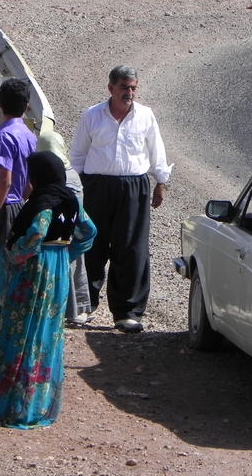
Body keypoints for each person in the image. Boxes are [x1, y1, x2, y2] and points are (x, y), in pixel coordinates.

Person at [0, 151, 96, 429]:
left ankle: (16, 404)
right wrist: (68, 252)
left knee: (21, 332)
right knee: (47, 334)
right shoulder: (71, 199)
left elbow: (35, 237)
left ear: (38, 176)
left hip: (35, 273)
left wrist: (13, 253)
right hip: (58, 272)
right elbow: (89, 231)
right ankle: (39, 402)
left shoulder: (42, 203)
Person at [69, 65, 173, 333]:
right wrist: (74, 191)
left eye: (133, 87)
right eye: (124, 87)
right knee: (91, 243)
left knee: (130, 248)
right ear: (111, 88)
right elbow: (78, 156)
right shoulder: (92, 116)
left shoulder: (146, 116)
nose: (129, 92)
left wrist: (161, 182)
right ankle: (84, 305)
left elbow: (156, 151)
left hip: (133, 187)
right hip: (96, 186)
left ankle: (127, 312)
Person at [0, 78, 37, 291]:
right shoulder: (29, 135)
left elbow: (4, 182)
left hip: (3, 209)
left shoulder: (4, 136)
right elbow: (29, 182)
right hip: (20, 206)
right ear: (26, 106)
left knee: (0, 268)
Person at [35, 131, 93, 325]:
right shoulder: (73, 174)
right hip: (76, 227)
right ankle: (81, 307)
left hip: (60, 229)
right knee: (77, 261)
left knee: (63, 261)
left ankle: (68, 310)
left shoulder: (55, 174)